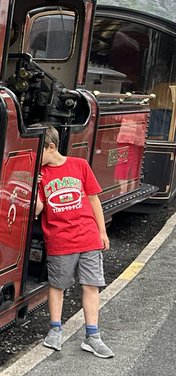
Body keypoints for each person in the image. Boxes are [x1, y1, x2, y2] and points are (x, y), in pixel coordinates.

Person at [33, 126, 114, 357]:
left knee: (91, 285)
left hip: (87, 236)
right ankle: (55, 330)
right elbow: (38, 210)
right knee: (57, 285)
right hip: (60, 239)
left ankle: (93, 336)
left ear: (51, 147)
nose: (36, 157)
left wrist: (102, 232)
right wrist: (32, 185)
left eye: (39, 151)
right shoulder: (40, 176)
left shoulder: (80, 165)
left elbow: (93, 199)